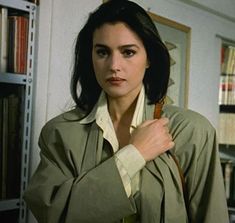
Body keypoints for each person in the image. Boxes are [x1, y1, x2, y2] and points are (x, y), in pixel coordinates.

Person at [24, 0, 229, 222]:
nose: (114, 65)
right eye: (102, 52)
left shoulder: (192, 131)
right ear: (90, 57)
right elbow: (53, 215)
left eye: (128, 52)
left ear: (149, 58)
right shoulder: (59, 133)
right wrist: (134, 154)